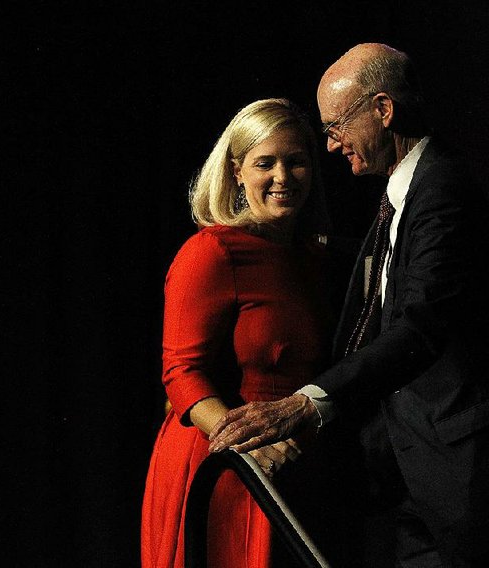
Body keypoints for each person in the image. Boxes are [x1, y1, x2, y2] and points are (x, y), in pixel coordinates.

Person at [209, 44, 489, 567]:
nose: (332, 146)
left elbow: (420, 327)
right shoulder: (400, 196)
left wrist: (302, 404)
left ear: (383, 110)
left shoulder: (441, 192)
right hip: (426, 481)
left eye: (336, 126)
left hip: (481, 477)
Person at [141, 98, 358, 567]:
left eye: (296, 162)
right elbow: (181, 373)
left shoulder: (314, 260)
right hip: (224, 468)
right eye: (266, 163)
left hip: (296, 465)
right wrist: (247, 451)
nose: (283, 177)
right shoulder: (211, 251)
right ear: (238, 171)